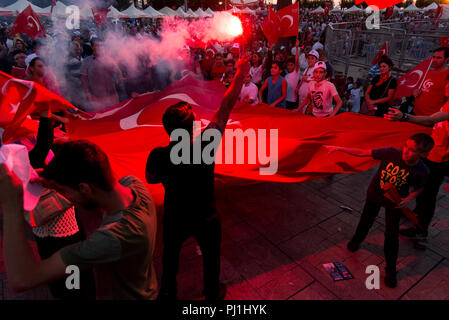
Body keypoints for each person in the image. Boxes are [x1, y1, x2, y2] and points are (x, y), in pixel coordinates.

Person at [145, 56, 251, 301]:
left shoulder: (159, 155)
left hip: (175, 216)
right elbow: (225, 108)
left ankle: (168, 292)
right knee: (211, 256)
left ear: (167, 129)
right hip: (206, 215)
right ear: (194, 127)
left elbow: (151, 179)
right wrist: (239, 74)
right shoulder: (206, 143)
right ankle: (211, 293)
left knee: (170, 258)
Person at [0, 140, 158, 299]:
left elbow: (22, 279)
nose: (66, 197)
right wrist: (57, 183)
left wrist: (11, 206)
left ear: (84, 188)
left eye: (65, 192)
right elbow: (98, 199)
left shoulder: (110, 239)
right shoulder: (133, 184)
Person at [325, 133, 434, 287]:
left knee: (391, 235)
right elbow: (364, 153)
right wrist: (338, 148)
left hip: (394, 203)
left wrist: (408, 199)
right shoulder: (391, 153)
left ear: (423, 154)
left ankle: (390, 270)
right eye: (405, 147)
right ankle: (356, 241)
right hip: (375, 195)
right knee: (365, 220)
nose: (405, 152)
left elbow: (419, 188)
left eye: (412, 150)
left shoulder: (422, 171)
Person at [385, 103, 449, 249]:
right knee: (420, 190)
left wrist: (404, 116)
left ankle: (421, 231)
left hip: (438, 160)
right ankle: (414, 216)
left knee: (427, 196)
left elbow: (430, 120)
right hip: (431, 154)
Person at [81, 38, 123, 111]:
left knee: (115, 114)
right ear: (92, 47)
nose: (100, 47)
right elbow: (84, 78)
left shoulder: (109, 59)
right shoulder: (86, 61)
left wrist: (119, 77)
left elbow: (118, 71)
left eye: (102, 46)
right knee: (102, 116)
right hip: (96, 96)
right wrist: (88, 93)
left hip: (112, 95)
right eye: (97, 45)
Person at [411, 47, 449, 116]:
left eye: (438, 58)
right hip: (415, 113)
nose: (434, 60)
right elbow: (420, 88)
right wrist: (415, 91)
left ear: (447, 59)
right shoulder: (428, 72)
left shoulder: (447, 75)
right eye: (434, 57)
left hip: (431, 119)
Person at [285, 40, 301, 110]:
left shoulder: (296, 72)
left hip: (292, 101)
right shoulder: (286, 76)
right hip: (285, 99)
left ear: (294, 66)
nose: (289, 67)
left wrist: (297, 48)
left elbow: (297, 61)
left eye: (291, 65)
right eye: (288, 65)